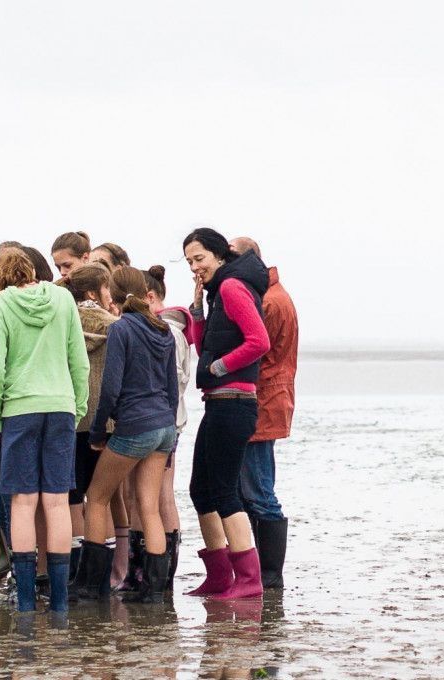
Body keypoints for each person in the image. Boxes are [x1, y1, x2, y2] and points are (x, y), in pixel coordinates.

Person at [0, 249, 88, 614]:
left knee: (23, 504)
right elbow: (79, 361)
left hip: (19, 410)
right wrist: (79, 407)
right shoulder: (62, 299)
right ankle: (59, 601)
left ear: (1, 277)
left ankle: (26, 600)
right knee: (57, 502)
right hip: (60, 406)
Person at [71, 266, 180, 602]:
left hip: (134, 426)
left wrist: (99, 432)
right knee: (148, 507)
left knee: (98, 497)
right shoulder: (163, 330)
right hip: (163, 425)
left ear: (113, 295)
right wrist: (170, 431)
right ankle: (154, 592)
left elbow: (112, 387)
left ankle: (91, 586)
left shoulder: (122, 329)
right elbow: (172, 388)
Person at [180, 227, 272, 600]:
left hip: (235, 403)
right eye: (189, 261)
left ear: (219, 256)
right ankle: (219, 576)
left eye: (199, 258)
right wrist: (198, 310)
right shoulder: (219, 292)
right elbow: (206, 349)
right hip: (217, 402)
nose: (194, 266)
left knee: (222, 491)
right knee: (200, 490)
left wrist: (221, 368)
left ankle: (249, 579)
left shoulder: (233, 288)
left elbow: (259, 341)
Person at [231, 237, 299, 590]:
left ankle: (270, 575)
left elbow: (255, 349)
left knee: (258, 491)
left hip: (265, 400)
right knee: (252, 488)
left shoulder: (269, 301)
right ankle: (263, 571)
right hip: (271, 398)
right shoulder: (273, 294)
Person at [61, 264, 119, 590]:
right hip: (105, 421)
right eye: (107, 289)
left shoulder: (64, 324)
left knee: (72, 498)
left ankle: (74, 575)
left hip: (73, 417)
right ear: (95, 292)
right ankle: (103, 579)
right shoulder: (116, 327)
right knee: (102, 498)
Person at [144, 265, 193, 590]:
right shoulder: (171, 328)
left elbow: (175, 378)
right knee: (159, 496)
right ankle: (159, 576)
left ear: (150, 297)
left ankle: (161, 579)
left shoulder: (168, 330)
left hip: (165, 421)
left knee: (161, 498)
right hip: (168, 419)